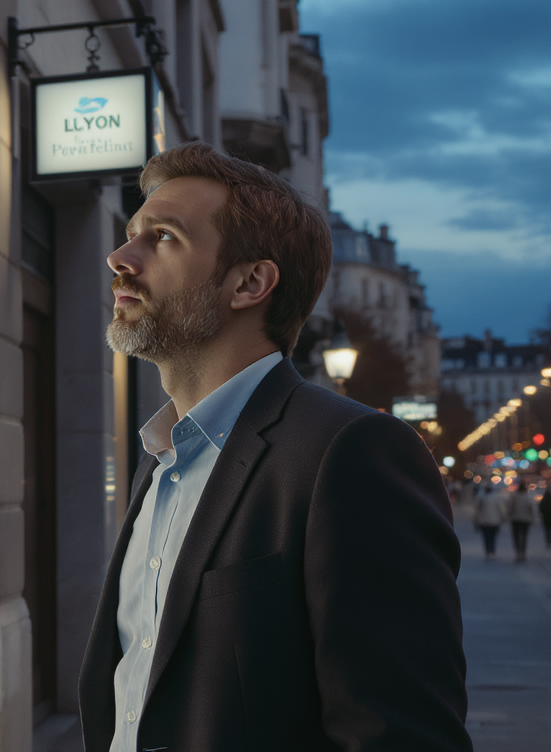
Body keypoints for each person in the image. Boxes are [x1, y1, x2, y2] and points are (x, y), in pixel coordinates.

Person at [78, 143, 469, 751]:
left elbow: (399, 735)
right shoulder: (162, 459)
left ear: (250, 282)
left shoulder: (350, 452)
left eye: (163, 237)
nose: (120, 258)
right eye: (132, 234)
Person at [474, 481, 506, 560]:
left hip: (484, 521)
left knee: (486, 537)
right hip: (495, 521)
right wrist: (503, 518)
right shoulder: (497, 498)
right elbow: (501, 510)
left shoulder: (481, 498)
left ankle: (488, 550)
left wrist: (476, 521)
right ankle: (492, 549)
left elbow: (477, 510)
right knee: (493, 536)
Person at [508, 482, 537, 562]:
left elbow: (510, 507)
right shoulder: (528, 497)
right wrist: (534, 519)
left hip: (516, 519)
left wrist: (509, 515)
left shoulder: (514, 497)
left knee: (516, 537)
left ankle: (518, 552)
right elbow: (532, 509)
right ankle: (523, 553)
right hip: (525, 520)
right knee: (524, 537)